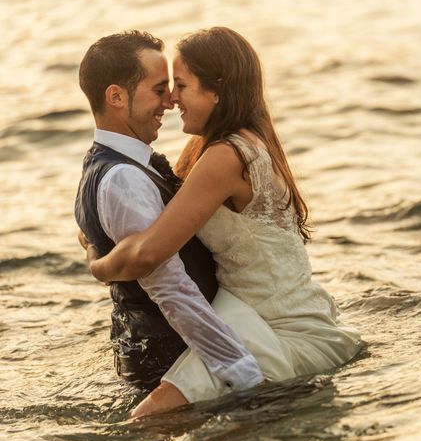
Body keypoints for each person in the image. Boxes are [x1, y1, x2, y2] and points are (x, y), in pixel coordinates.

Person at [85, 27, 362, 417]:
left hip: (274, 327)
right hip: (257, 311)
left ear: (217, 90)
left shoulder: (226, 156)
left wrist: (97, 262)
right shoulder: (226, 145)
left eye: (180, 85)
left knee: (148, 417)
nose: (170, 98)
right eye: (165, 87)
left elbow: (148, 254)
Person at [74, 31, 264, 415]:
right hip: (172, 359)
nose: (170, 101)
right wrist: (245, 376)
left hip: (162, 351)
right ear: (116, 96)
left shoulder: (109, 166)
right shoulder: (123, 178)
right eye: (159, 89)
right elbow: (172, 289)